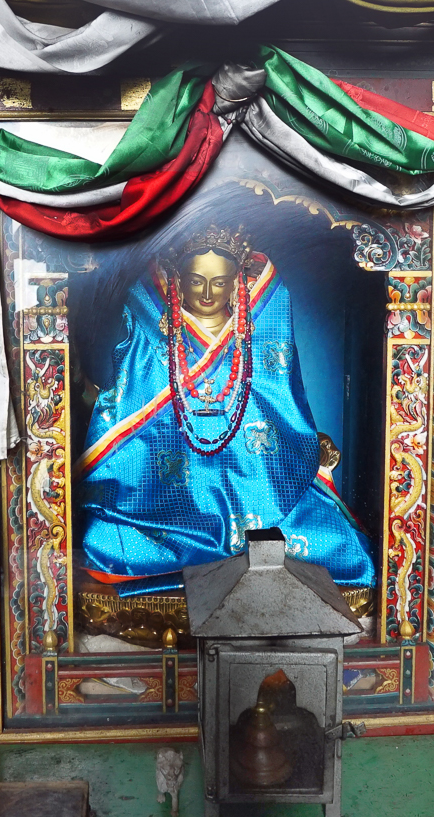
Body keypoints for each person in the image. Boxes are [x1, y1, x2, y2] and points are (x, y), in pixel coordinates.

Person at [78, 224, 375, 594]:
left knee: (336, 543)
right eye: (195, 281)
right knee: (101, 541)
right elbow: (125, 409)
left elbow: (284, 409)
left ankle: (233, 549)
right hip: (168, 505)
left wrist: (310, 446)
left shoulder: (258, 334)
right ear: (177, 280)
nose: (207, 293)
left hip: (257, 495)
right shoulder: (150, 327)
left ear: (236, 283)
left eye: (219, 283)